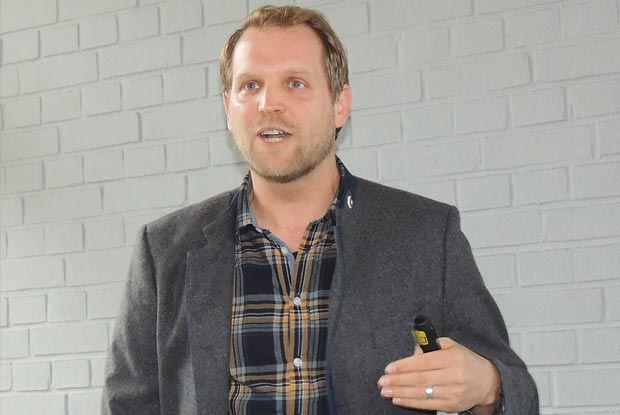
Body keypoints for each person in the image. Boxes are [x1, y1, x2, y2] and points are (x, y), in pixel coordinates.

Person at [102, 5, 539, 415]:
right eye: (250, 85)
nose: (268, 103)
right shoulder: (164, 251)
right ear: (228, 109)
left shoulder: (425, 234)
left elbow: (514, 387)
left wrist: (488, 385)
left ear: (339, 105)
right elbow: (126, 405)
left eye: (295, 83)